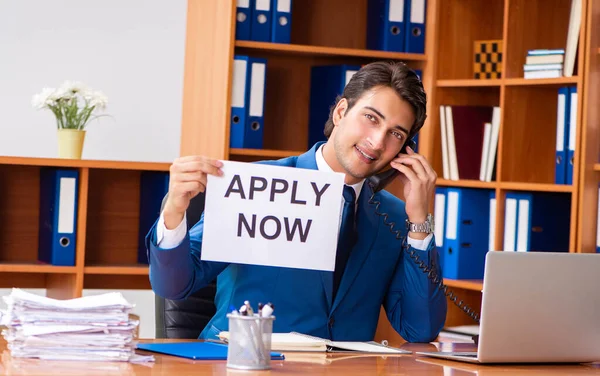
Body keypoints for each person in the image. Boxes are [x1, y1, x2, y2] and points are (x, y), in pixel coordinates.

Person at [146, 61, 447, 343]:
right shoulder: (259, 185)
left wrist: (420, 222)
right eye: (371, 118)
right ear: (341, 112)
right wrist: (174, 209)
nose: (378, 141)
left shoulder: (393, 217)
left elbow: (419, 328)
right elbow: (174, 285)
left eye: (395, 133)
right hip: (246, 364)